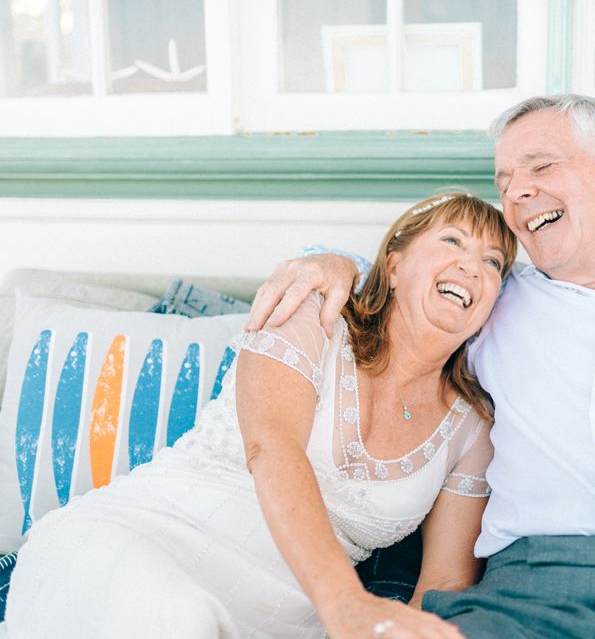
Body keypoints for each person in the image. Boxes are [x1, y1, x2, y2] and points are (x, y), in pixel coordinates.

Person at [244, 94, 595, 638]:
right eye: (504, 182)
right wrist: (331, 261)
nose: (517, 192)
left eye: (541, 166)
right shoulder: (492, 301)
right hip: (519, 601)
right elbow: (408, 294)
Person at [6, 192, 518, 638]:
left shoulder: (472, 426)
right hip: (137, 537)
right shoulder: (313, 314)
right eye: (453, 242)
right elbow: (273, 448)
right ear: (394, 264)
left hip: (283, 620)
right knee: (177, 618)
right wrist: (348, 605)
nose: (473, 266)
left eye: (494, 262)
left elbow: (445, 584)